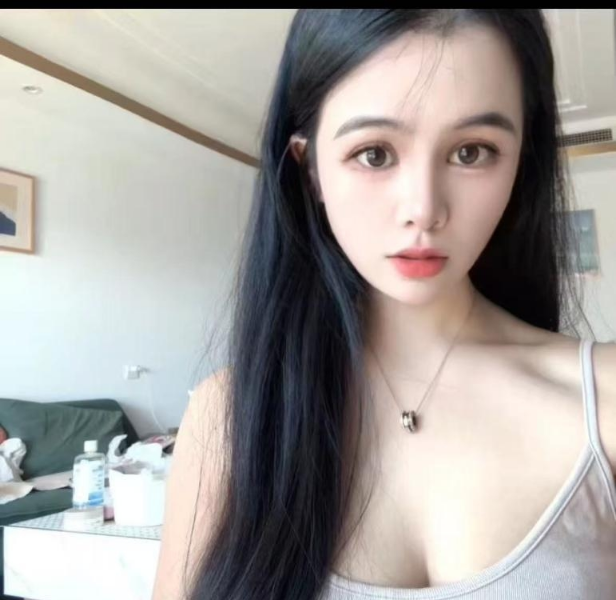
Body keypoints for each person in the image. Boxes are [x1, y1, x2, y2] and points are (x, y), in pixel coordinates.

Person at [153, 9, 616, 600]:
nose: (424, 209)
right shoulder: (229, 416)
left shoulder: (603, 400)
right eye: (374, 154)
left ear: (520, 163)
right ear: (310, 170)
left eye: (472, 152)